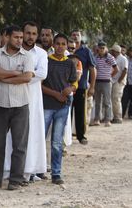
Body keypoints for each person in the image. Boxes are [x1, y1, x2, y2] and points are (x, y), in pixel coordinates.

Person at [0, 25, 34, 190]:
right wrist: (14, 73)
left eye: (21, 37)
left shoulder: (27, 56)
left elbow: (27, 77)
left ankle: (15, 180)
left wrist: (4, 76)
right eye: (16, 37)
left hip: (21, 105)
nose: (20, 40)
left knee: (19, 145)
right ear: (6, 37)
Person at [4, 21, 48, 181]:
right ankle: (10, 170)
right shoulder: (13, 51)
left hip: (34, 99)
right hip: (14, 96)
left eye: (34, 34)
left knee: (33, 133)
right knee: (13, 135)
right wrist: (23, 75)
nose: (30, 37)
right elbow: (7, 70)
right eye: (27, 33)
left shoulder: (41, 54)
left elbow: (42, 73)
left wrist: (20, 76)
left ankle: (29, 170)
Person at [42, 33, 77, 184]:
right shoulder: (46, 61)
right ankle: (37, 170)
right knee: (40, 138)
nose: (60, 47)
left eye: (63, 44)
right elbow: (40, 85)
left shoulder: (70, 63)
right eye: (58, 44)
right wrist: (56, 94)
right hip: (47, 105)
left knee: (57, 141)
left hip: (63, 106)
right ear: (53, 45)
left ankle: (56, 173)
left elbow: (74, 82)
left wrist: (71, 89)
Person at [70, 29, 96, 145]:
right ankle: (67, 135)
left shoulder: (86, 51)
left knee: (80, 112)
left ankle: (81, 136)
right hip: (67, 87)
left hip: (81, 86)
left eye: (77, 35)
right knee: (67, 112)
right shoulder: (66, 49)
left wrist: (92, 87)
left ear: (81, 37)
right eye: (73, 35)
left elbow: (92, 69)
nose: (75, 37)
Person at [90, 41, 118, 127]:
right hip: (97, 81)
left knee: (107, 102)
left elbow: (116, 69)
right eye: (100, 48)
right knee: (97, 101)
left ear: (106, 48)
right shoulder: (95, 57)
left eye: (103, 48)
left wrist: (110, 76)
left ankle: (107, 119)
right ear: (97, 48)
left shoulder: (110, 57)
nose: (101, 50)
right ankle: (97, 119)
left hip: (106, 82)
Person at [110, 45, 128, 124]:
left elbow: (125, 70)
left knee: (116, 99)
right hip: (113, 81)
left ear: (116, 51)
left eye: (112, 51)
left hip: (119, 81)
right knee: (113, 99)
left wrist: (119, 80)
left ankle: (118, 117)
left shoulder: (123, 58)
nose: (111, 52)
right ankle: (113, 116)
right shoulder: (113, 58)